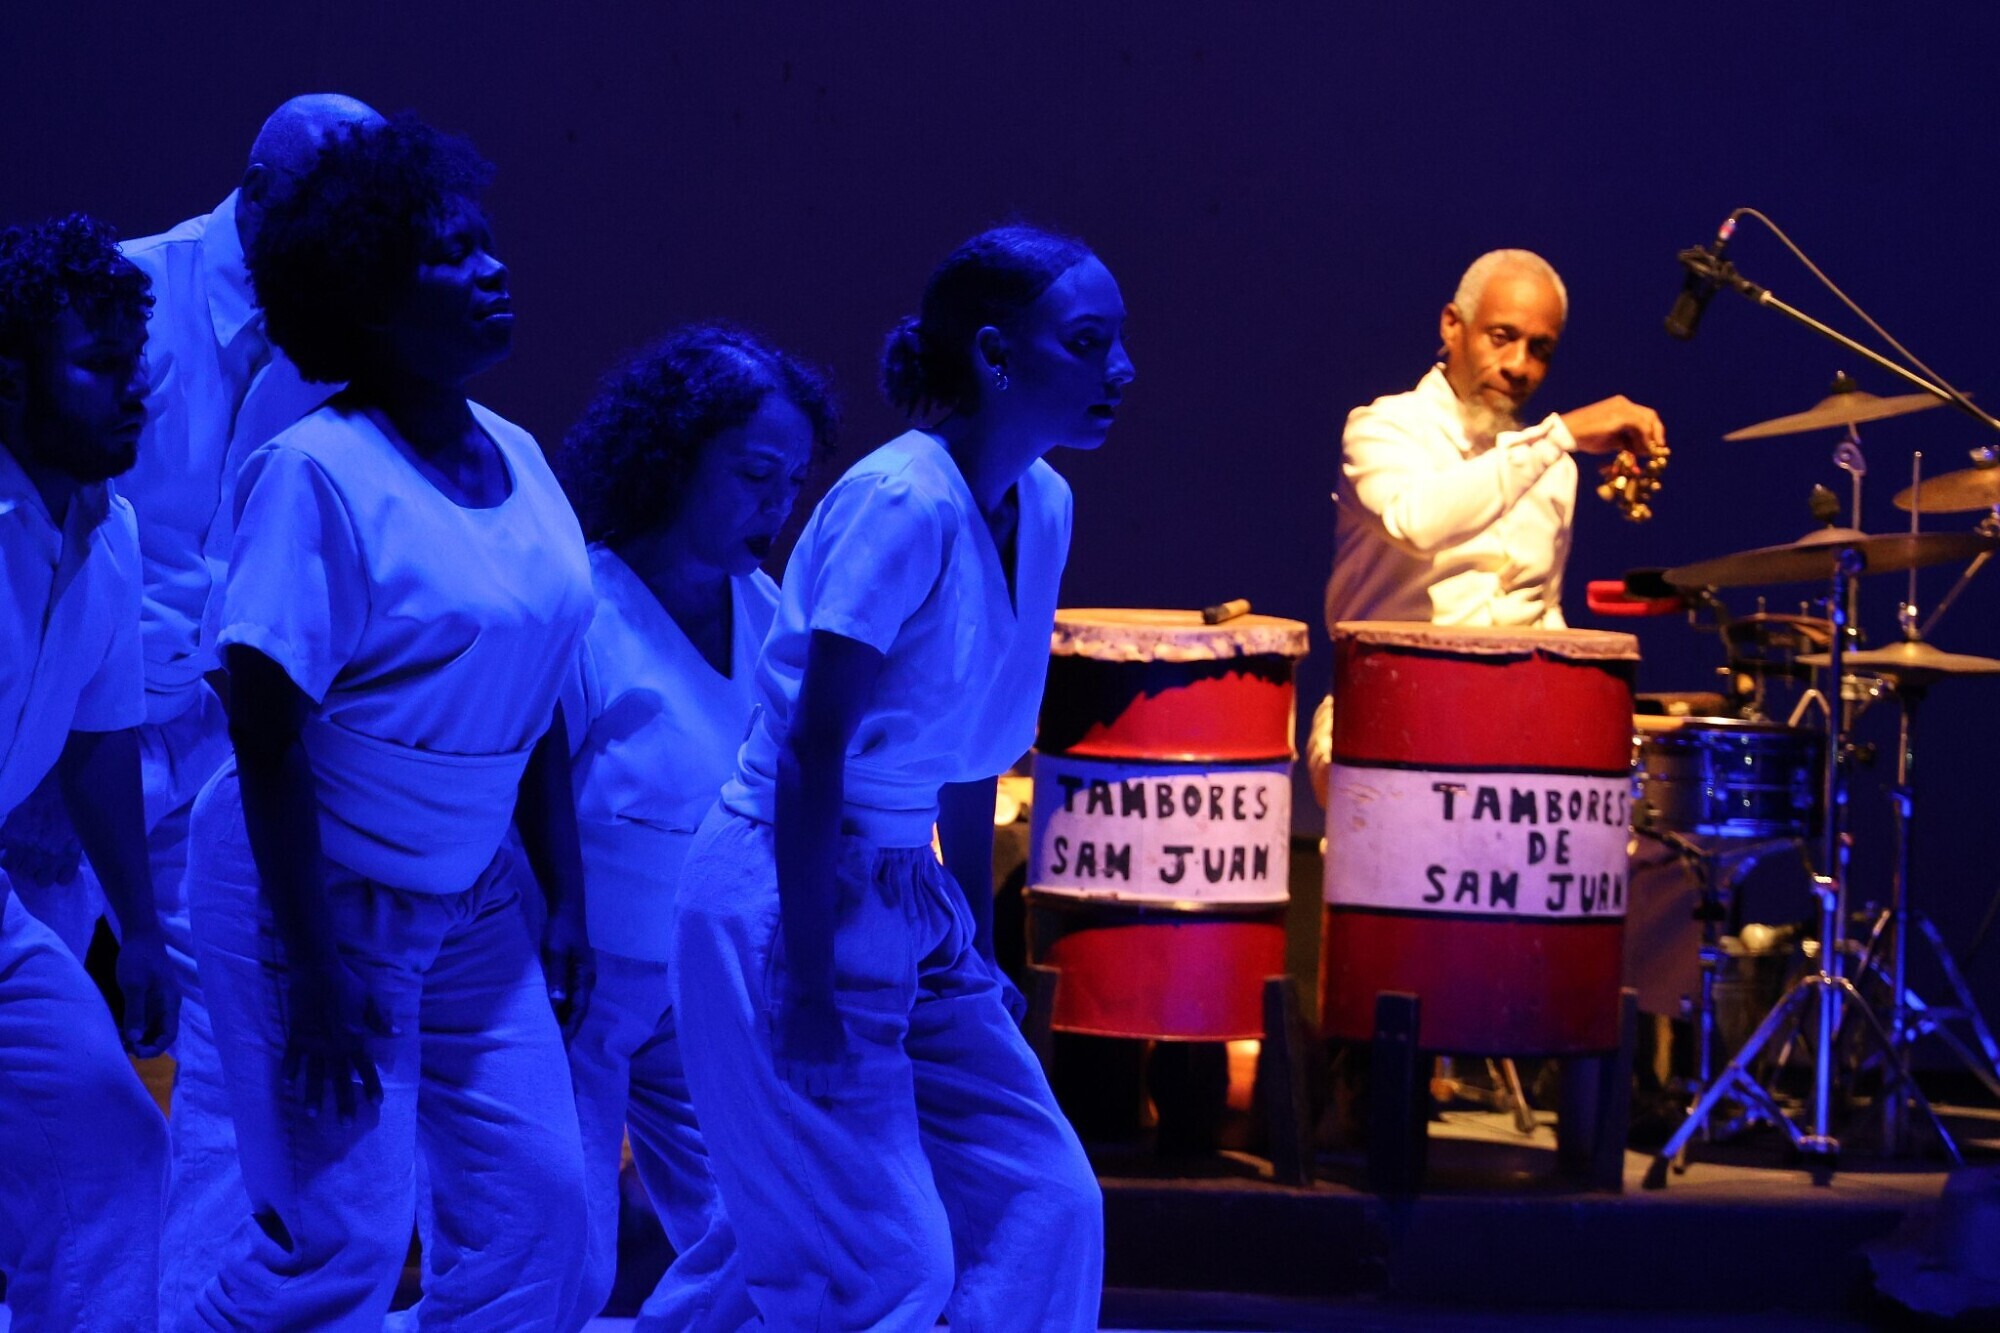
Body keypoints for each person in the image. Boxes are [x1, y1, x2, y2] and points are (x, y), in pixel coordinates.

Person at [674, 224, 1129, 1331]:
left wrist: (972, 943)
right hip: (786, 890)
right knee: (879, 1260)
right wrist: (809, 982)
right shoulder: (902, 500)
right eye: (1086, 342)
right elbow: (811, 750)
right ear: (994, 355)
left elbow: (965, 760)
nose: (1120, 370)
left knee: (1045, 1203)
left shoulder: (1045, 505)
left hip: (907, 896)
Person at [183, 115, 592, 1329]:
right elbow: (264, 732)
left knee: (542, 1222)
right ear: (365, 300)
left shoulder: (520, 453)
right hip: (315, 891)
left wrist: (563, 895)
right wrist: (313, 971)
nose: (492, 268)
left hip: (473, 894)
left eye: (486, 242)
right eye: (450, 254)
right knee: (340, 1249)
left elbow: (539, 697)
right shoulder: (316, 471)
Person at [551, 324, 836, 1331]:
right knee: (562, 1256)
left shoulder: (772, 615)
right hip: (577, 985)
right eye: (754, 473)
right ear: (673, 456)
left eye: (792, 482)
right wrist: (555, 926)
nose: (776, 504)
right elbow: (526, 801)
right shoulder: (582, 607)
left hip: (712, 984)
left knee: (767, 1228)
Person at [0, 213, 180, 1329]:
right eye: (100, 365)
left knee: (109, 1141)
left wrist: (142, 928)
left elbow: (100, 736)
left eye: (135, 362)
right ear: (12, 379)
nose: (134, 391)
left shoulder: (112, 533)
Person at [1310, 249, 1668, 798]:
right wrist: (1558, 436)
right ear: (1452, 325)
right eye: (1501, 337)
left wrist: (1595, 710)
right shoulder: (1384, 429)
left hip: (1512, 728)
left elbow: (1540, 610)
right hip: (1385, 716)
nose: (1519, 366)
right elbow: (1416, 522)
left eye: (1539, 349)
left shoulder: (1553, 469)